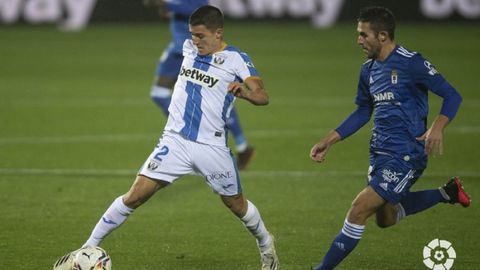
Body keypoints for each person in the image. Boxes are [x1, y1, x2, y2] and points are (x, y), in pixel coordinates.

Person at [53, 5, 279, 270]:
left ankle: (266, 245)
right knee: (135, 196)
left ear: (218, 33)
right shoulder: (187, 48)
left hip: (212, 147)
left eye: (200, 36)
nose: (194, 41)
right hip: (175, 142)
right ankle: (86, 250)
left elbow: (263, 95)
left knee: (236, 204)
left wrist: (245, 93)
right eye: (192, 35)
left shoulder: (237, 59)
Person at [309, 6, 471, 270]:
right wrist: (329, 140)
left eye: (363, 35)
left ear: (382, 36)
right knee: (385, 218)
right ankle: (447, 192)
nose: (358, 40)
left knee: (359, 208)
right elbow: (364, 110)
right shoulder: (368, 70)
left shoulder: (411, 62)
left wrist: (438, 126)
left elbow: (452, 95)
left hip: (407, 154)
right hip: (380, 153)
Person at [146, 0, 256, 170]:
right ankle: (190, 133)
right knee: (158, 94)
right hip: (177, 50)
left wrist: (166, 3)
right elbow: (167, 12)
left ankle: (240, 146)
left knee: (214, 99)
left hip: (196, 51)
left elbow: (196, 9)